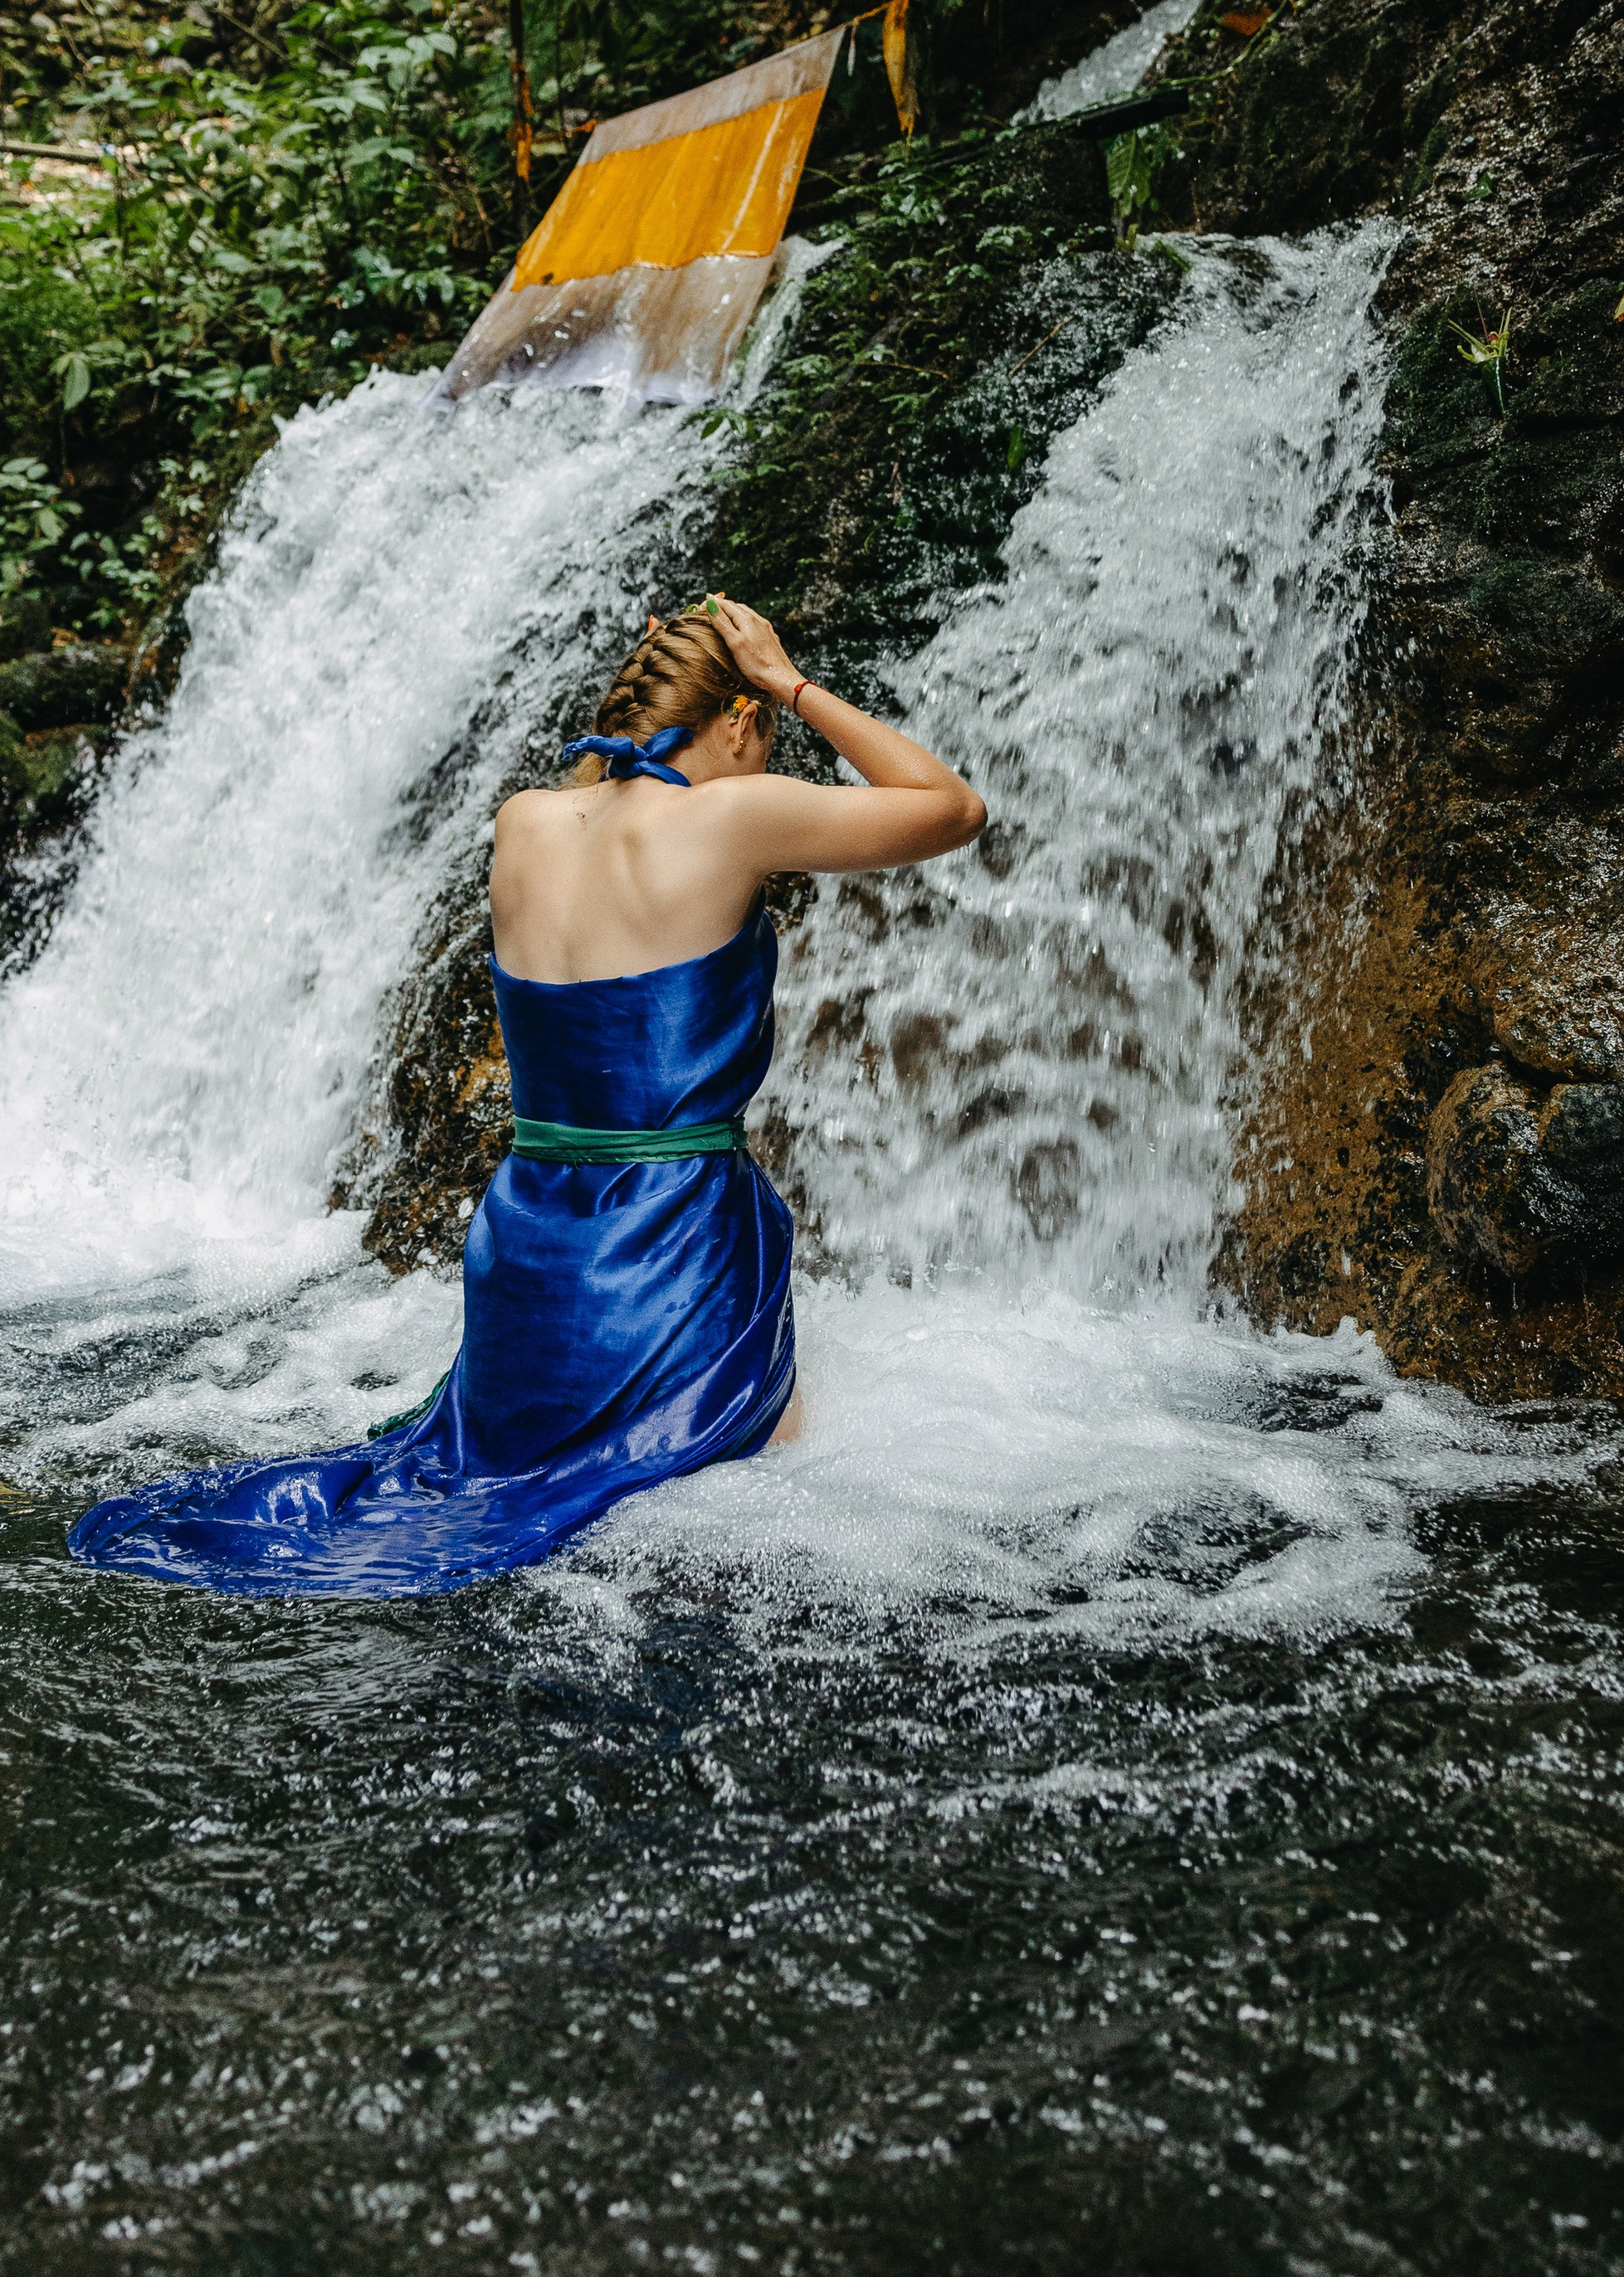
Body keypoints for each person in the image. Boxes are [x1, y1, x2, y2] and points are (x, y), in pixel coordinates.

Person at [68, 595, 984, 1597]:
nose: (764, 763)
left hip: (529, 1243)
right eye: (760, 738)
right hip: (672, 1240)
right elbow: (951, 808)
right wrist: (793, 684)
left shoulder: (526, 823)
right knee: (717, 1540)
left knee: (560, 1524)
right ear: (734, 719)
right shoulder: (729, 815)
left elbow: (609, 807)